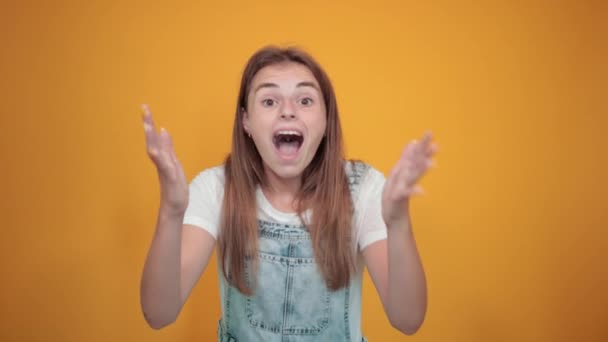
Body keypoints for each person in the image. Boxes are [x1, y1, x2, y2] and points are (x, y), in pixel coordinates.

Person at [140, 46, 436, 341]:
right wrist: (171, 212)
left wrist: (398, 222)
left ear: (325, 121)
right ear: (246, 122)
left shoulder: (364, 189)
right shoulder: (216, 188)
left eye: (305, 100)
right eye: (269, 101)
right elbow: (159, 314)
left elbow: (407, 320)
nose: (288, 110)